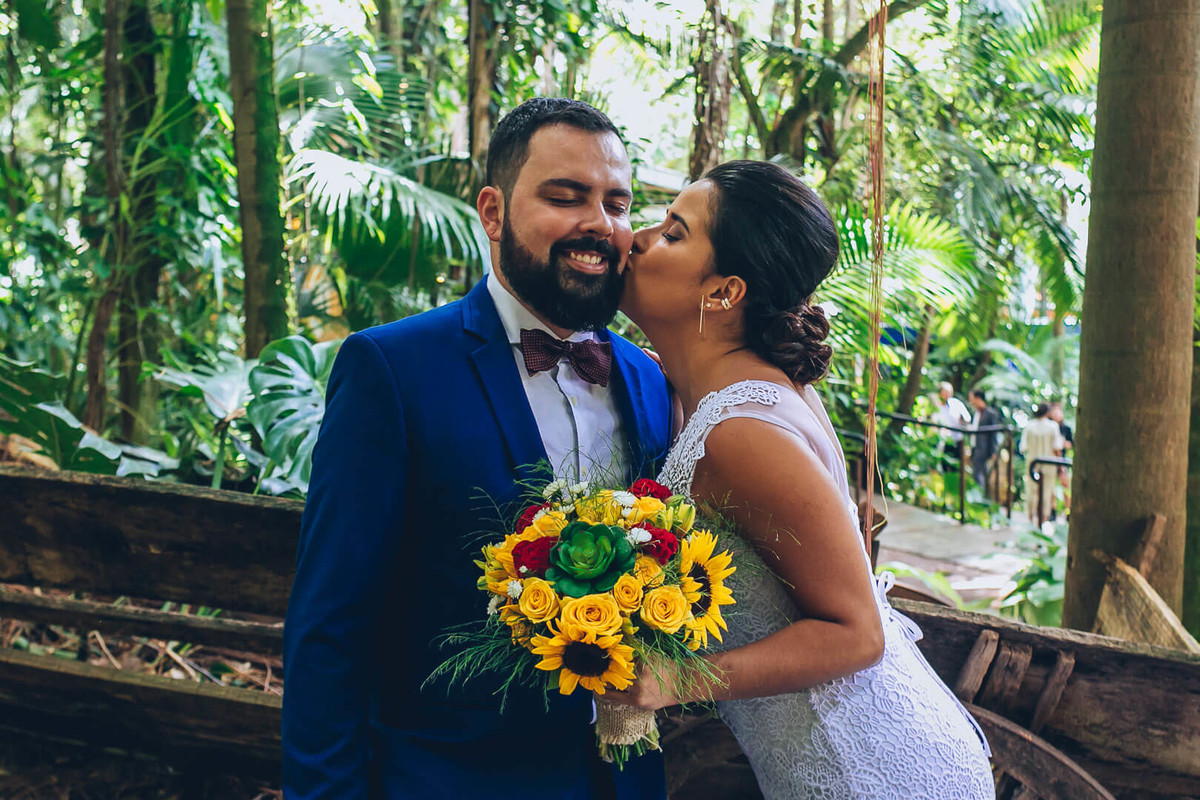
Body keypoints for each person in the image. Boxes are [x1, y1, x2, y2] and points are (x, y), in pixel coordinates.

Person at [282, 98, 672, 800]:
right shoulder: (391, 370)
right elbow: (329, 626)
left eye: (618, 203)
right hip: (444, 778)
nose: (600, 223)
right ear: (492, 212)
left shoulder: (647, 379)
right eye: (566, 196)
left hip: (619, 781)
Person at [605, 161, 993, 798]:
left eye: (674, 233)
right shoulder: (715, 392)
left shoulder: (740, 433)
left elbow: (858, 632)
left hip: (867, 770)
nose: (639, 238)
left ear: (725, 293)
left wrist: (674, 680)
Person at [1020, 403, 1064, 524]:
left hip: (1032, 463)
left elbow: (1023, 447)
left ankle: (1030, 518)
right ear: (1047, 413)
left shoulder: (1029, 426)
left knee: (1031, 490)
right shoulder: (1053, 426)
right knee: (1046, 491)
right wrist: (1061, 466)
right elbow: (1057, 447)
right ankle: (1042, 519)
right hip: (1049, 464)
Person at [933, 381, 971, 473]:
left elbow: (967, 419)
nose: (948, 395)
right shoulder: (936, 406)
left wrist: (961, 420)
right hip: (942, 440)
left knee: (956, 466)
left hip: (956, 440)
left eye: (950, 392)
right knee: (943, 466)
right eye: (945, 392)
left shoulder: (956, 404)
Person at [968, 389, 1001, 495]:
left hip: (983, 448)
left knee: (979, 474)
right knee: (980, 473)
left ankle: (979, 498)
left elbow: (993, 434)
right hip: (975, 447)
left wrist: (993, 452)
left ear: (978, 398)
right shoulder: (976, 413)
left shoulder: (990, 414)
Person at [1048, 400, 1073, 517]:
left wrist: (1063, 444)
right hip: (1050, 459)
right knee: (1050, 486)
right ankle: (1051, 510)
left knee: (1065, 485)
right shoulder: (1049, 427)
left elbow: (1071, 444)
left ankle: (1068, 511)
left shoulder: (1066, 429)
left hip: (1062, 459)